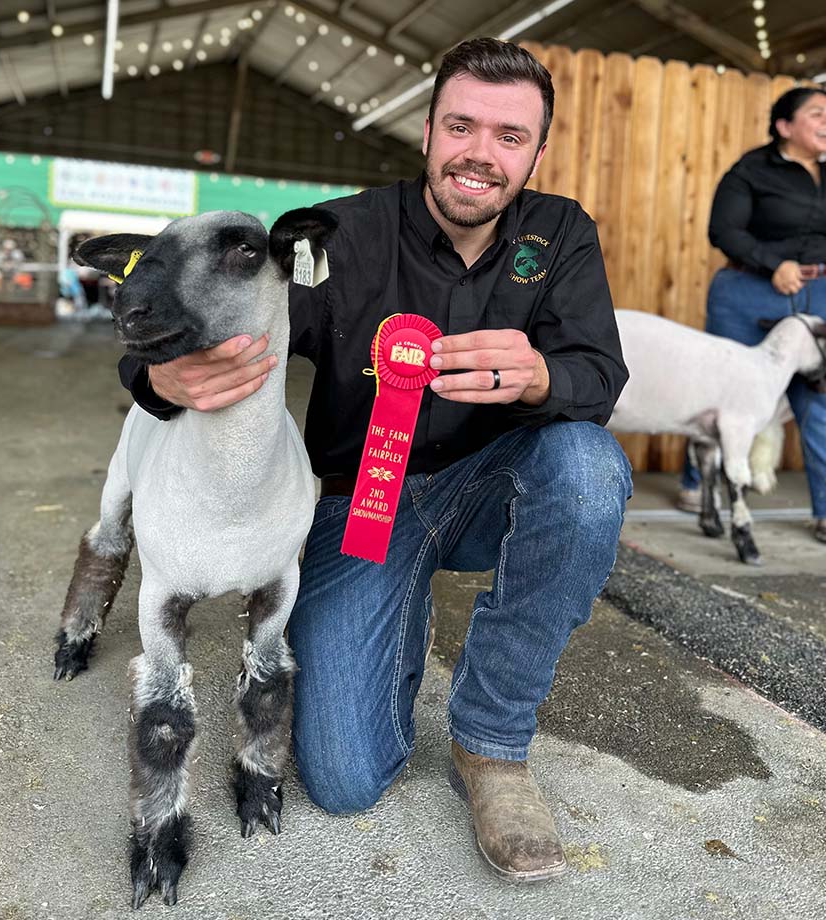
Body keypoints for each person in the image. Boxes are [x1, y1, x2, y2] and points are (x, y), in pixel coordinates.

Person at [119, 38, 631, 882]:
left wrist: (542, 373)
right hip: (362, 503)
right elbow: (214, 309)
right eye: (461, 127)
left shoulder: (562, 233)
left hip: (493, 490)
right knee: (344, 779)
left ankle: (494, 746)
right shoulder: (341, 234)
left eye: (510, 137)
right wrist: (158, 372)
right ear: (427, 133)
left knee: (587, 469)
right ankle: (391, 610)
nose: (480, 154)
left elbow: (600, 373)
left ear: (538, 152)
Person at [678, 87, 826, 543]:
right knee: (720, 389)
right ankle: (697, 482)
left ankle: (825, 510)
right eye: (817, 114)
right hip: (748, 290)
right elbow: (723, 229)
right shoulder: (751, 170)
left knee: (819, 398)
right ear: (785, 126)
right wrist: (772, 264)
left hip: (818, 293)